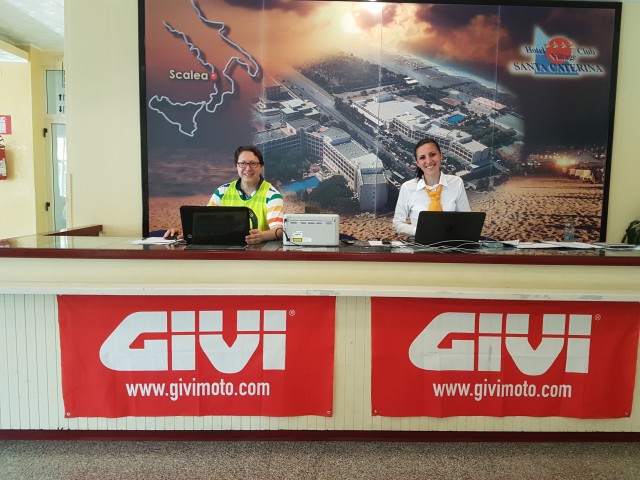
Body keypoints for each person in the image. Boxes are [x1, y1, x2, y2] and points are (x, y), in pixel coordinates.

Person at [165, 145, 284, 244]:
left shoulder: (272, 195)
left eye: (253, 163)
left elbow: (278, 230)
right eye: (242, 163)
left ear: (261, 167)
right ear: (236, 166)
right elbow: (204, 223)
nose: (248, 168)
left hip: (258, 255)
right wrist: (184, 233)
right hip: (225, 252)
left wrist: (262, 236)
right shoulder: (222, 192)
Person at [392, 138, 470, 237]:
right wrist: (420, 231)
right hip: (421, 244)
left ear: (441, 156)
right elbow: (397, 224)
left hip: (450, 243)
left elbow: (466, 220)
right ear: (417, 163)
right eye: (422, 157)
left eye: (432, 154)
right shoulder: (407, 188)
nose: (428, 161)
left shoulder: (456, 183)